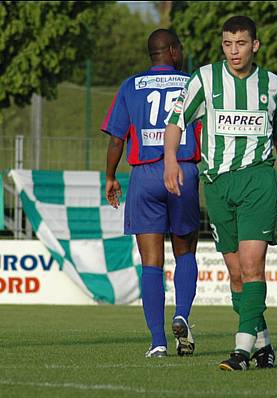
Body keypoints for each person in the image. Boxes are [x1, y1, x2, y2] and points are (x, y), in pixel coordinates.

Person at [163, 16, 277, 371]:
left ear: (254, 45)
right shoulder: (205, 79)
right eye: (228, 44)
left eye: (241, 43)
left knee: (253, 266)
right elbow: (176, 121)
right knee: (237, 272)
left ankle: (241, 351)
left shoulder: (271, 84)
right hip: (218, 184)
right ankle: (264, 344)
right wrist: (170, 163)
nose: (234, 51)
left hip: (257, 179)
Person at [101, 29, 201, 358]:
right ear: (172, 51)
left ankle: (157, 341)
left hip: (144, 176)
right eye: (179, 49)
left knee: (151, 264)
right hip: (182, 170)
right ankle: (182, 315)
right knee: (185, 252)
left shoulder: (131, 86)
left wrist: (111, 176)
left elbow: (117, 139)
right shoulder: (192, 83)